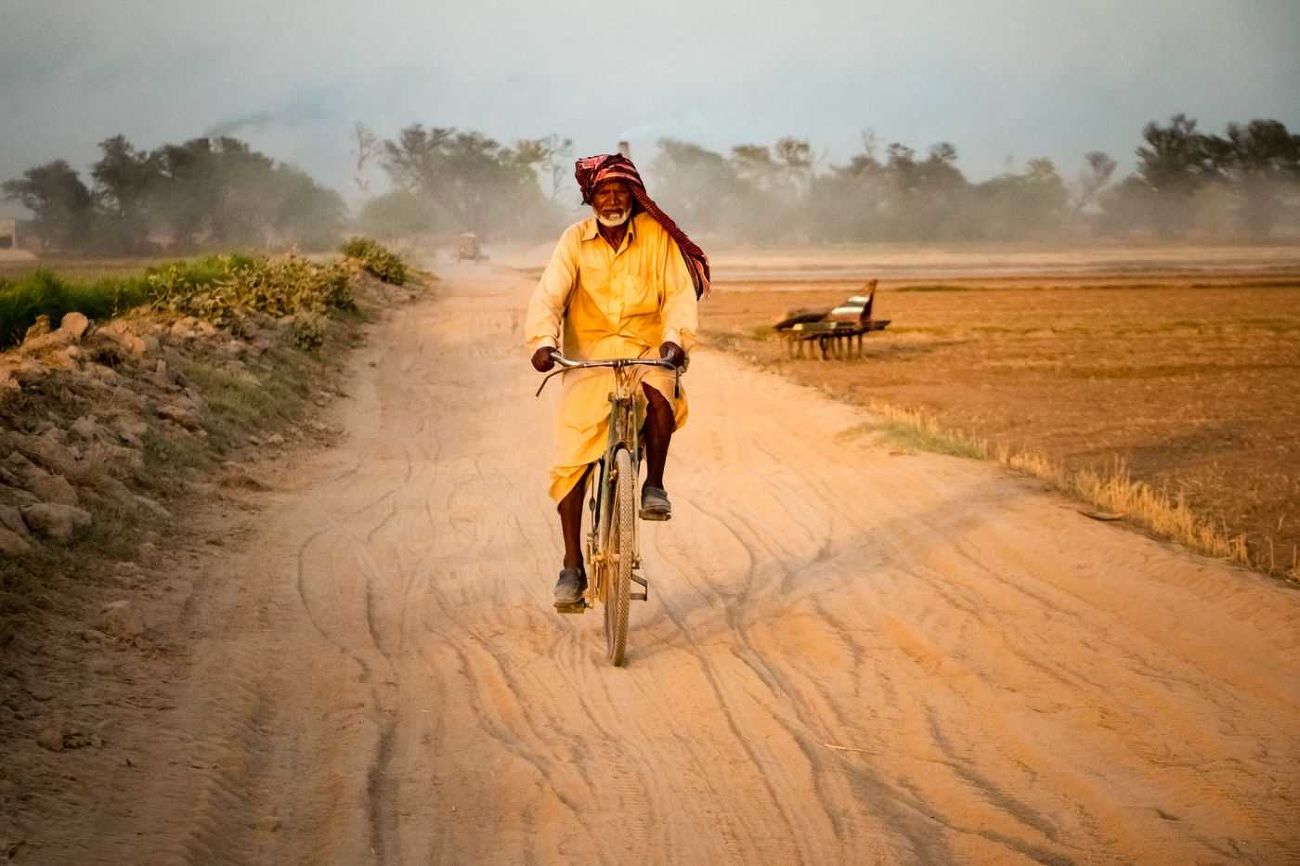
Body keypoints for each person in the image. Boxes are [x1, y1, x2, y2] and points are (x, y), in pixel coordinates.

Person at [524, 153, 709, 606]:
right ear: (590, 198)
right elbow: (549, 295)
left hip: (646, 348)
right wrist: (543, 343)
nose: (612, 200)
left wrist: (675, 341)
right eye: (603, 193)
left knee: (660, 394)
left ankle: (654, 486)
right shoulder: (574, 241)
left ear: (634, 196)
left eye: (620, 192)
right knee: (571, 461)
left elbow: (679, 295)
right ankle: (572, 567)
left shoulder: (656, 237)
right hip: (590, 356)